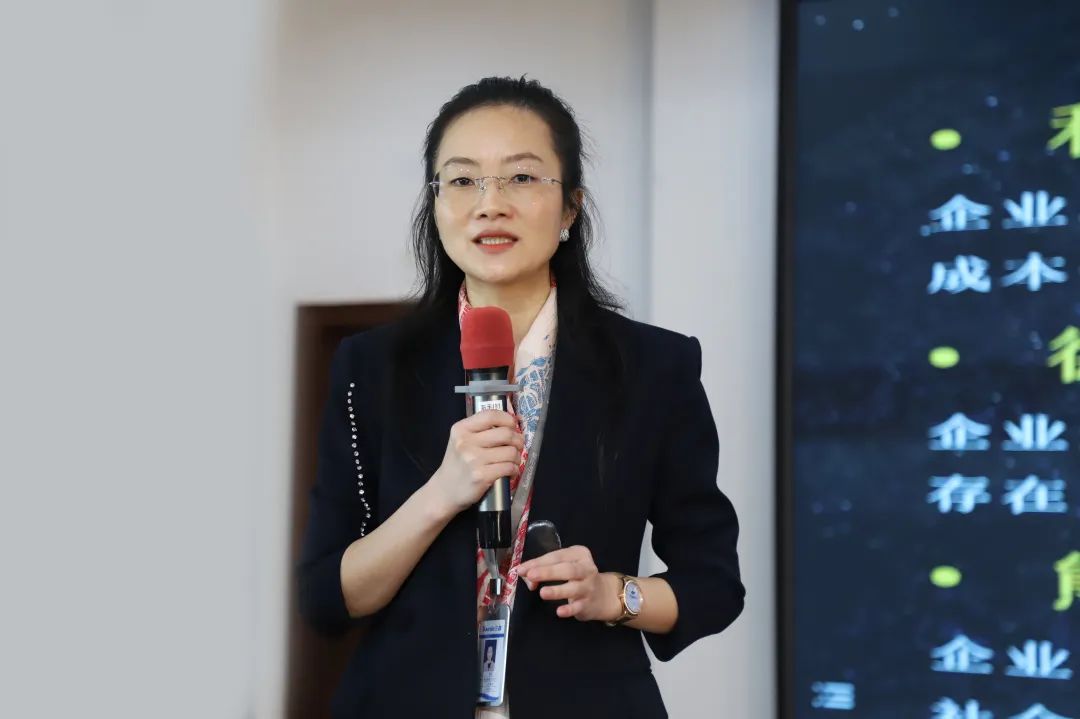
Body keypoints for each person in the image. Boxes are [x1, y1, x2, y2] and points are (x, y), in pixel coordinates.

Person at [296, 76, 744, 719]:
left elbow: (713, 585)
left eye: (522, 177)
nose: (490, 204)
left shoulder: (655, 368)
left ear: (570, 210)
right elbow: (326, 596)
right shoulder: (370, 367)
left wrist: (611, 595)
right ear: (435, 205)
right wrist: (441, 493)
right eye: (462, 179)